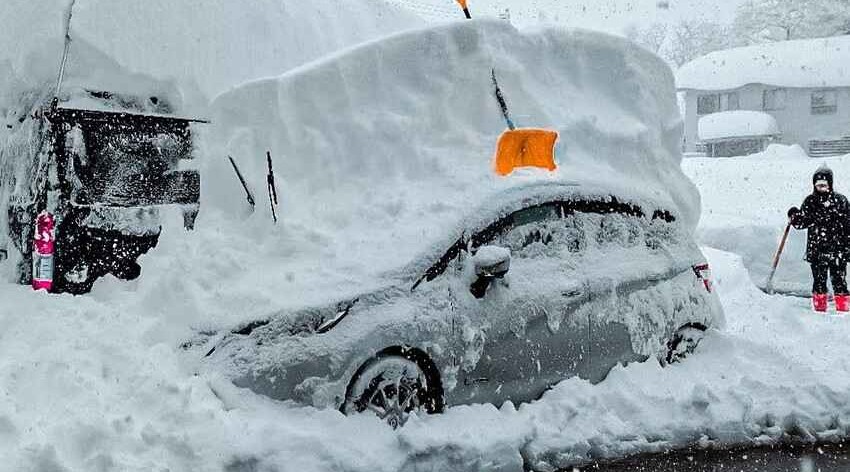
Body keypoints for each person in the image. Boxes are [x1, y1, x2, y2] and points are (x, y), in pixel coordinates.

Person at [788, 166, 850, 313]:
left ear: (830, 184)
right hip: (817, 251)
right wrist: (795, 216)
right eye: (818, 185)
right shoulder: (810, 202)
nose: (821, 187)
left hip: (838, 251)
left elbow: (848, 227)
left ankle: (844, 310)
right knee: (819, 283)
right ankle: (819, 310)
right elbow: (803, 222)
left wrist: (847, 248)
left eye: (824, 184)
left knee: (840, 282)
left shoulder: (840, 201)